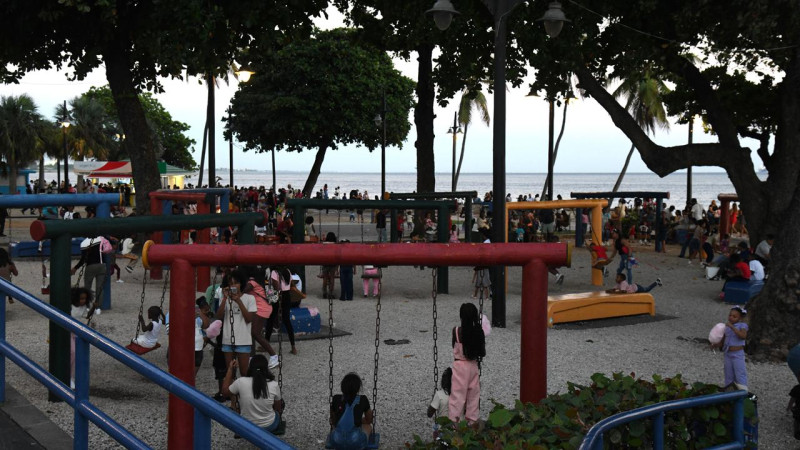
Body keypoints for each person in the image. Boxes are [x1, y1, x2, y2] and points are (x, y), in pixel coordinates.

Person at [223, 355, 283, 433]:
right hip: (269, 426)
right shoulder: (274, 384)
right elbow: (278, 408)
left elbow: (224, 392)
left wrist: (230, 369)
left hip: (247, 427)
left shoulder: (241, 382)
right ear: (266, 369)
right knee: (279, 407)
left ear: (250, 368)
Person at [215, 270, 257, 378]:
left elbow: (249, 319)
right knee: (230, 373)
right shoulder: (225, 299)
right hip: (228, 340)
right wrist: (224, 298)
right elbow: (218, 316)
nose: (233, 286)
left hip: (244, 340)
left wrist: (238, 301)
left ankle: (244, 389)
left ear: (241, 283)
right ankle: (232, 390)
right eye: (231, 283)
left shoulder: (249, 298)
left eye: (236, 283)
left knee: (244, 373)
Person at [448, 303, 486, 425]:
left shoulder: (457, 331)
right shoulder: (478, 332)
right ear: (475, 316)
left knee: (458, 396)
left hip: (460, 366)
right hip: (473, 366)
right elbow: (482, 352)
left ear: (461, 316)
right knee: (473, 395)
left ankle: (454, 423)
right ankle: (472, 421)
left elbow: (453, 345)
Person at [243, 266, 279, 369]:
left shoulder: (252, 283)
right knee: (251, 333)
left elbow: (243, 290)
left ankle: (274, 356)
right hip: (260, 307)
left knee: (255, 333)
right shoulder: (259, 281)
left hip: (262, 308)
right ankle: (251, 357)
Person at [329, 373, 374, 449]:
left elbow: (333, 420)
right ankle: (360, 445)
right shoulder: (363, 399)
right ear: (358, 388)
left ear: (342, 387)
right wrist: (358, 420)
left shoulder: (336, 398)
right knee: (368, 426)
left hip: (336, 441)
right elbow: (369, 420)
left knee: (335, 427)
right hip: (356, 442)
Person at [710, 306, 749, 390]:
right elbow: (723, 341)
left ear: (740, 318)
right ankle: (729, 391)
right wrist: (715, 345)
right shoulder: (726, 328)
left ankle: (743, 391)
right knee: (728, 374)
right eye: (730, 315)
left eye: (734, 316)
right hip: (728, 353)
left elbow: (743, 336)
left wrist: (732, 327)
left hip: (738, 354)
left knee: (740, 373)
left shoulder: (742, 325)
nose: (731, 317)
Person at [72, 236, 113, 304]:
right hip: (102, 265)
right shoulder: (100, 239)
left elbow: (83, 259)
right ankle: (98, 306)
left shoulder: (84, 243)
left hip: (90, 266)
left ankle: (87, 304)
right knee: (99, 288)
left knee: (87, 287)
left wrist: (76, 268)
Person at [267, 266, 297, 355]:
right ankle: (293, 346)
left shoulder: (274, 272)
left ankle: (266, 343)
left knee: (271, 319)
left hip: (278, 296)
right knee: (287, 320)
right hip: (287, 296)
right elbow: (291, 284)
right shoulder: (287, 270)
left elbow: (276, 287)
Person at [427, 367, 452, 436]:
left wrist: (433, 400)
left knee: (436, 429)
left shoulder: (439, 394)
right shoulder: (461, 395)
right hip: (458, 430)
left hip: (443, 430)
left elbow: (429, 414)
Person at [321, 232, 338, 298]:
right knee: (332, 278)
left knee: (325, 278)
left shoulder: (324, 244)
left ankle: (324, 292)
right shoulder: (335, 244)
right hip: (333, 262)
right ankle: (331, 293)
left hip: (325, 262)